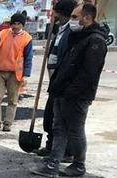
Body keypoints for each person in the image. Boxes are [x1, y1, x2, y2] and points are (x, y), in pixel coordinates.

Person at [32, 3, 108, 178]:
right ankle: (53, 164)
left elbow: (89, 74)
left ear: (87, 18)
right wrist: (57, 87)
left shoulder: (95, 41)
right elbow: (64, 63)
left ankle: (79, 164)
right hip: (62, 90)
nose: (72, 20)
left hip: (76, 96)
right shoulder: (77, 36)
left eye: (75, 17)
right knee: (59, 128)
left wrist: (71, 92)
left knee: (75, 129)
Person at [36, 0, 77, 157]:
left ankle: (67, 152)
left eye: (55, 12)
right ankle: (50, 145)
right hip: (55, 80)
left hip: (63, 82)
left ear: (62, 13)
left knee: (62, 119)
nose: (52, 16)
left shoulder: (71, 32)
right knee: (50, 116)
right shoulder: (60, 30)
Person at [0, 13, 33, 132]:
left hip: (15, 74)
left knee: (12, 100)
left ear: (22, 25)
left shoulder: (27, 39)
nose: (15, 26)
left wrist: (25, 75)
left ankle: (8, 123)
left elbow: (28, 58)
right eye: (14, 23)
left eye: (18, 24)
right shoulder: (3, 34)